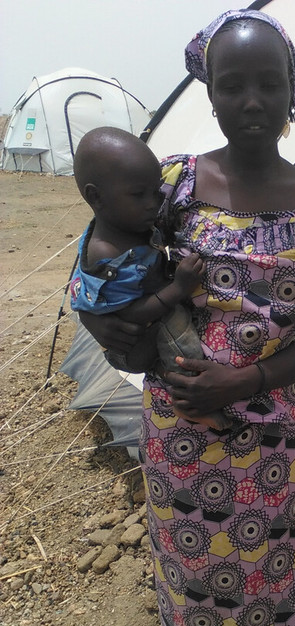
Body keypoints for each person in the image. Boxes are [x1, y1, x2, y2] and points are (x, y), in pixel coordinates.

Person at [80, 8, 295, 626]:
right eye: (231, 84)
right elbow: (108, 261)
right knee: (193, 576)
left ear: (291, 90)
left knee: (276, 577)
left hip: (271, 438)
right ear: (207, 91)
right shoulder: (173, 183)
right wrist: (103, 328)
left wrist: (246, 377)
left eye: (267, 84)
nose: (250, 102)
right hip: (181, 433)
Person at [70, 127, 228, 429]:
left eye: (156, 193)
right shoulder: (110, 253)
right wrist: (179, 289)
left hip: (147, 314)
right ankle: (190, 401)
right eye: (138, 195)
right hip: (133, 342)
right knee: (181, 341)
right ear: (95, 197)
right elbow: (130, 313)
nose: (152, 204)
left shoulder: (126, 225)